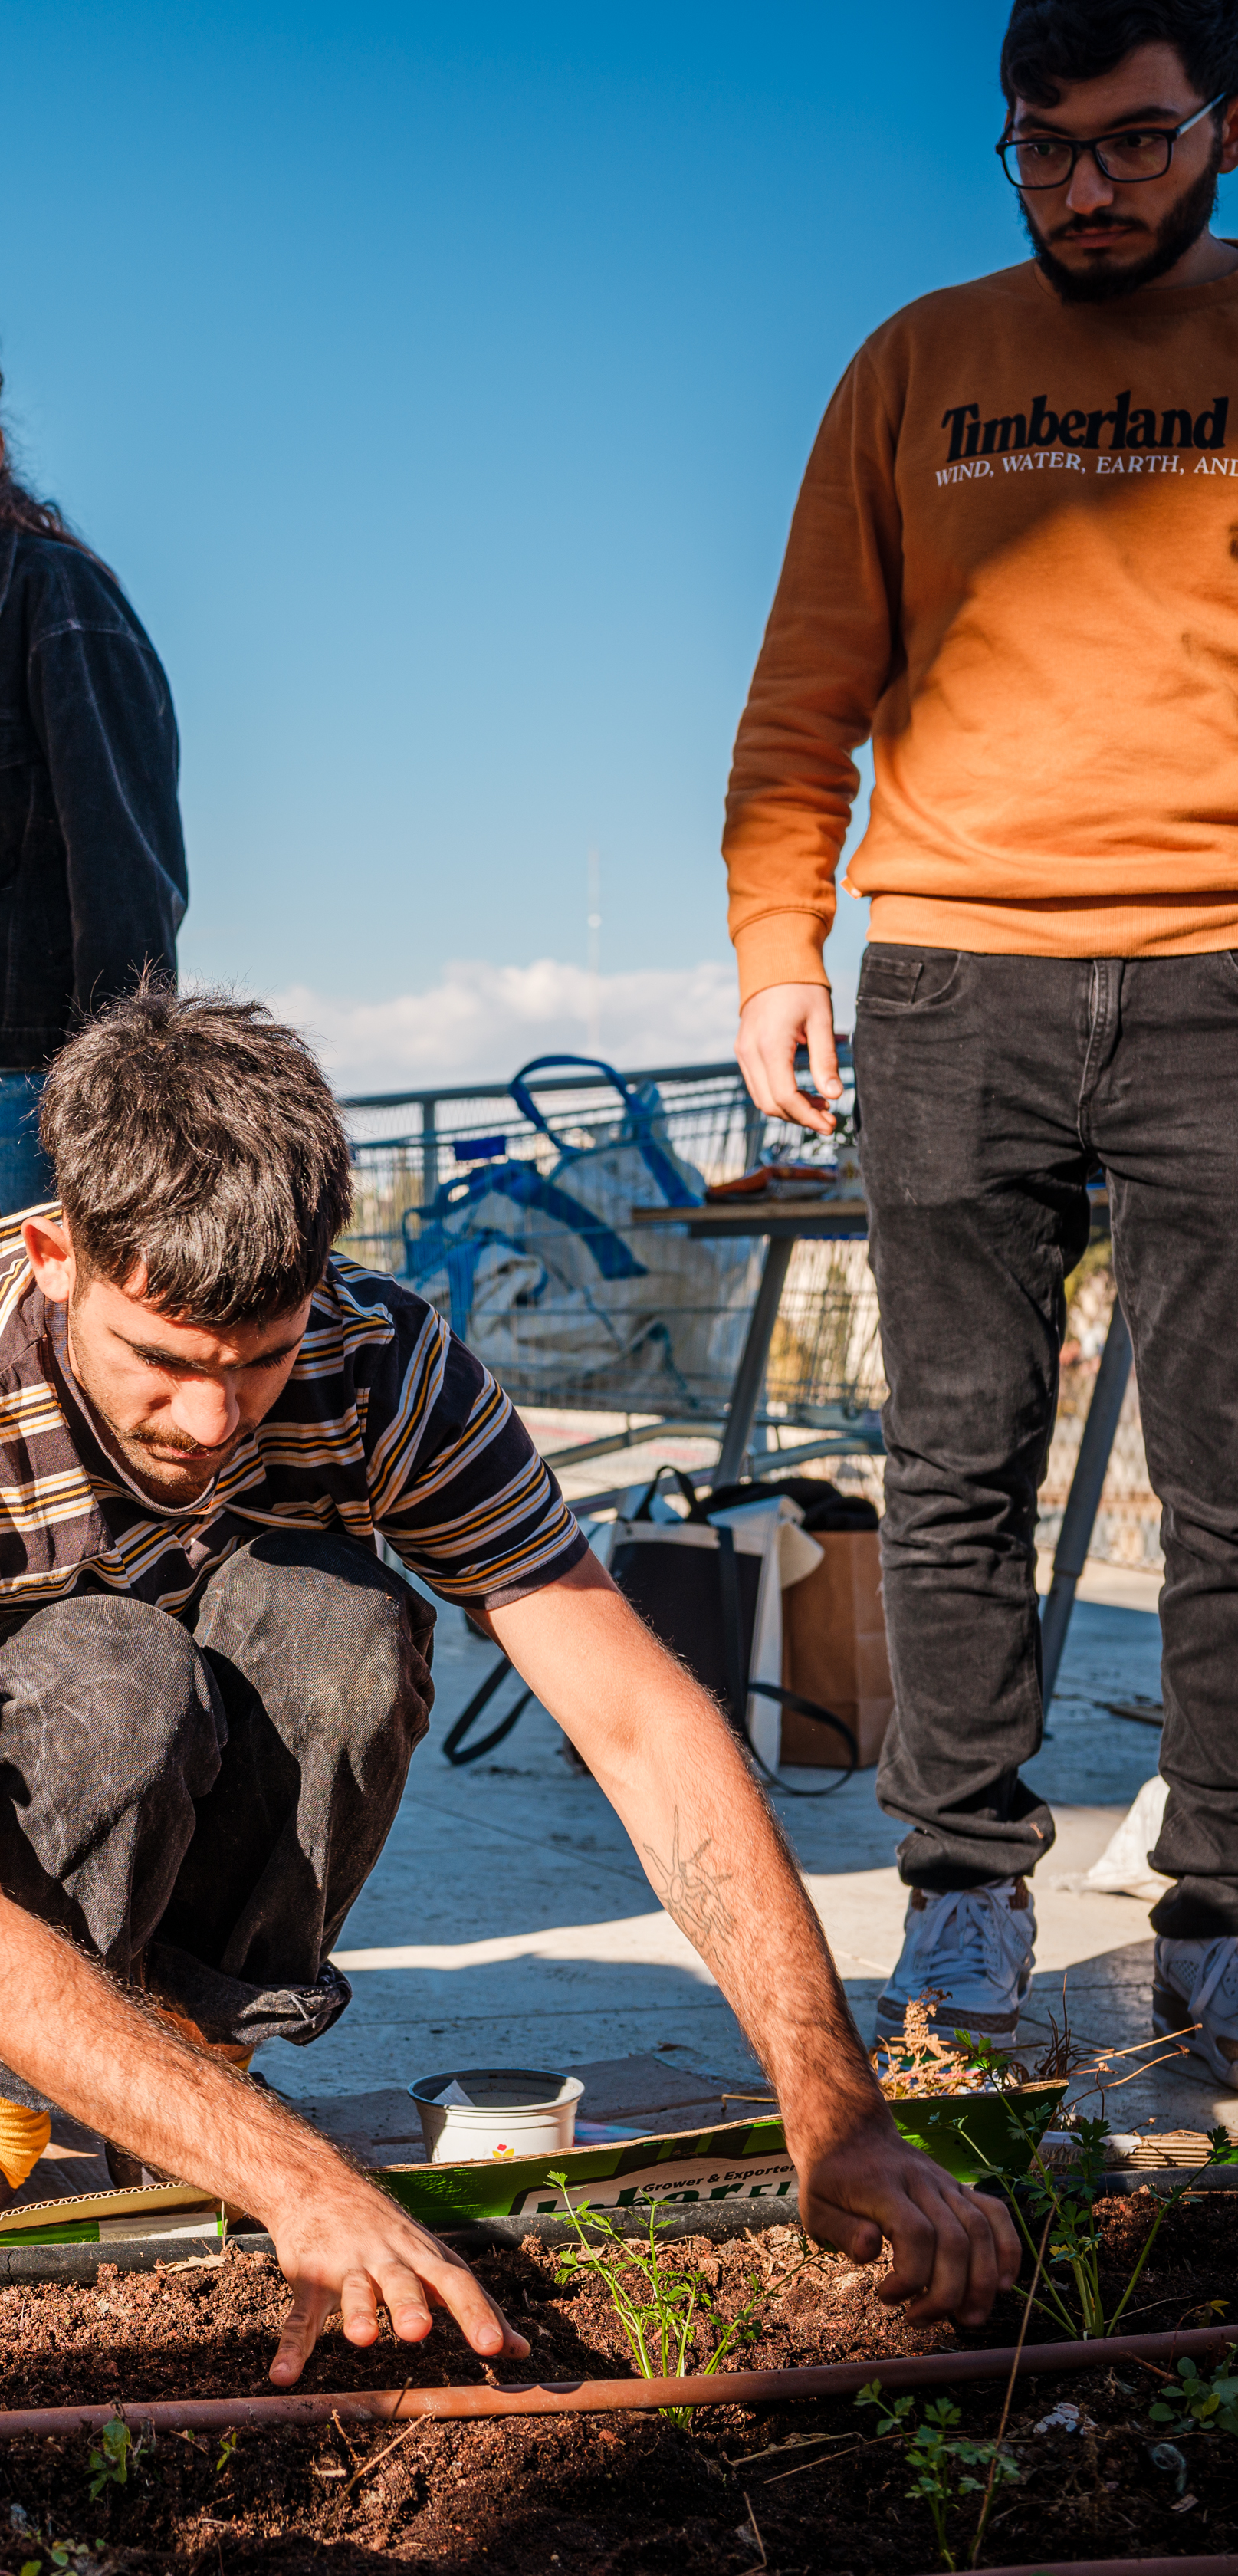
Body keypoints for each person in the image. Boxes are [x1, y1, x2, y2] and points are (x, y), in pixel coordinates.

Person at [0, 984, 1020, 2377]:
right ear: (56, 1256)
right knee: (117, 1667)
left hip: (118, 1840)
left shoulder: (381, 1360)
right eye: (162, 1363)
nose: (214, 1422)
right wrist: (303, 2181)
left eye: (262, 1361)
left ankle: (192, 2068)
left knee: (344, 1621)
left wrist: (836, 2110)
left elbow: (643, 1725)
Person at [721, 0, 1238, 2075]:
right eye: (1048, 150)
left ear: (1219, 123)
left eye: (1131, 144)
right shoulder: (913, 363)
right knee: (950, 1467)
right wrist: (776, 945)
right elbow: (802, 691)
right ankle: (961, 1906)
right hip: (948, 973)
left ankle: (1218, 1915)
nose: (1090, 189)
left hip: (1223, 970)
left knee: (1229, 1481)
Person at [0, 301, 187, 1214]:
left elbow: (128, 873)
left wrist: (118, 1102)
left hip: (21, 1092)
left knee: (27, 1357)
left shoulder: (60, 599)